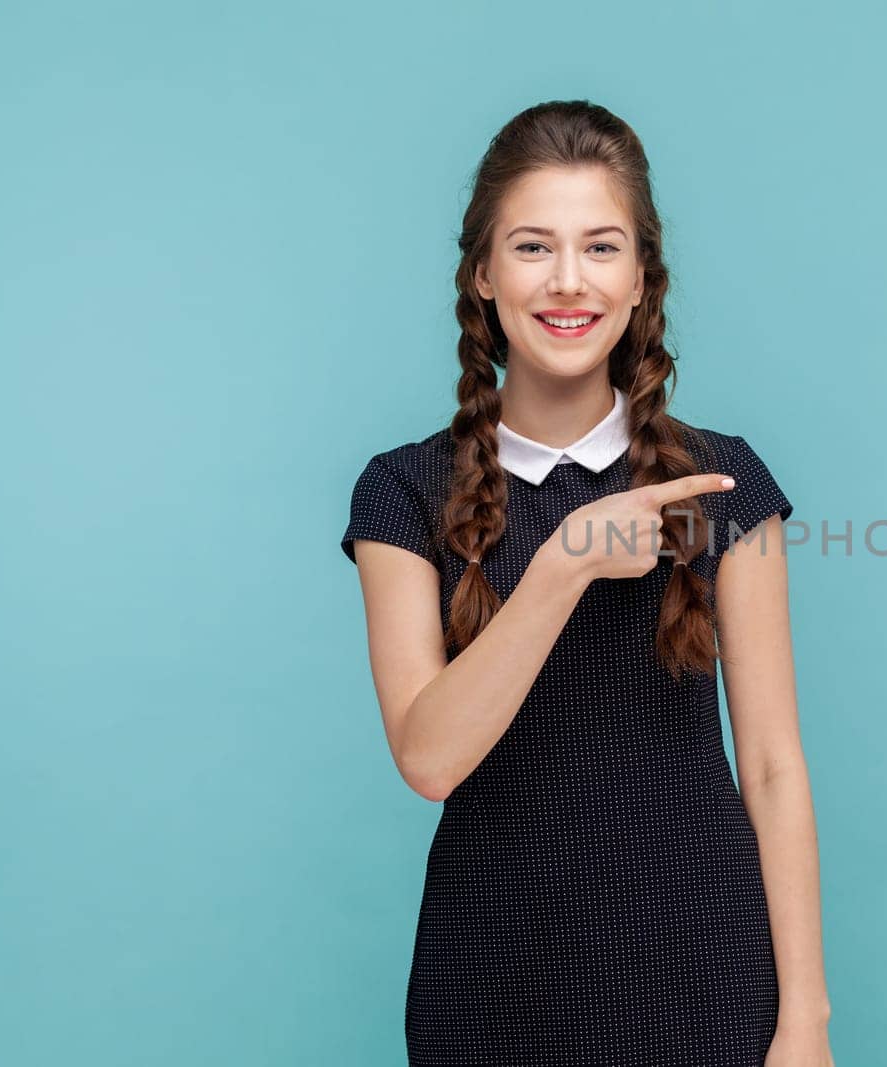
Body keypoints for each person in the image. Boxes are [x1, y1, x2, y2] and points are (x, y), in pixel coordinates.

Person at [338, 100, 835, 1065]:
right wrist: (564, 563)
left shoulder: (722, 480)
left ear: (641, 275)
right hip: (493, 984)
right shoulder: (401, 491)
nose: (568, 281)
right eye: (532, 247)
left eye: (600, 247)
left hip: (708, 979)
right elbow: (430, 757)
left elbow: (772, 764)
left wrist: (805, 1019)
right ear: (483, 274)